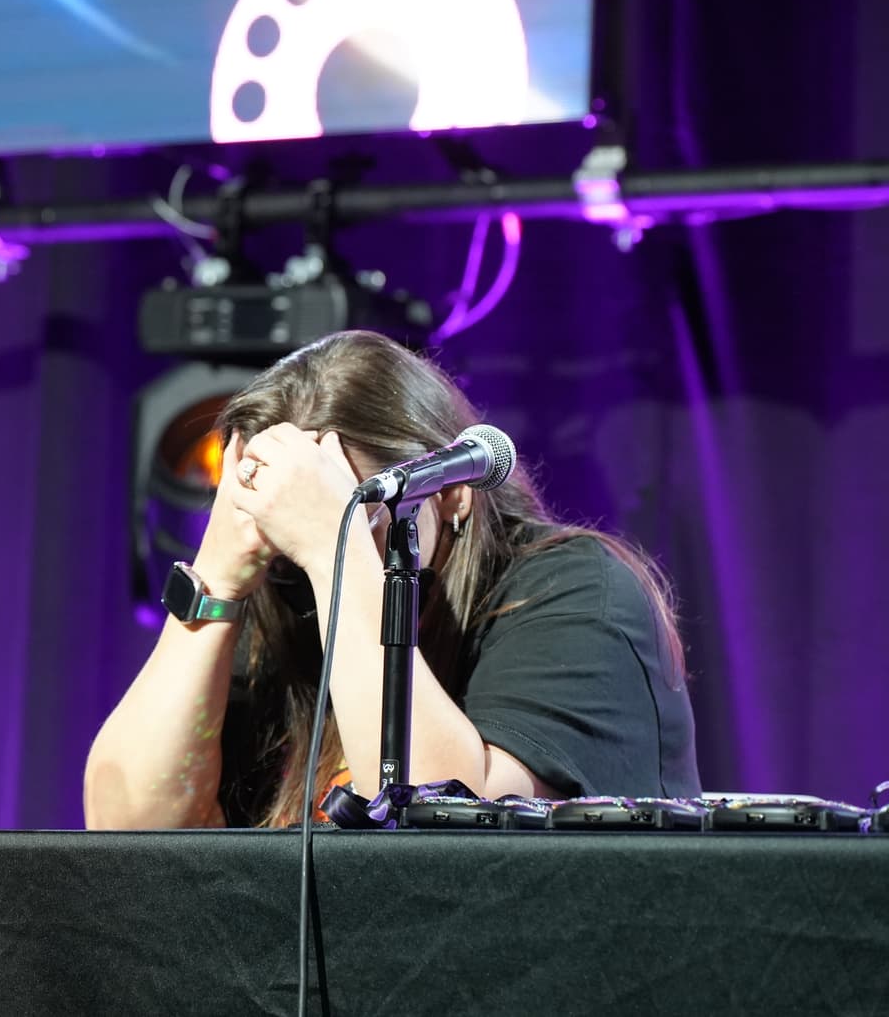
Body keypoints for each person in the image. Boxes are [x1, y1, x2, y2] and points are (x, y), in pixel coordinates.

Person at [84, 330, 699, 828]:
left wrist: (337, 544)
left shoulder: (575, 592)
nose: (299, 559)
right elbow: (129, 826)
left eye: (355, 511)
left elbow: (446, 830)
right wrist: (216, 578)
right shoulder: (280, 590)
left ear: (453, 492)